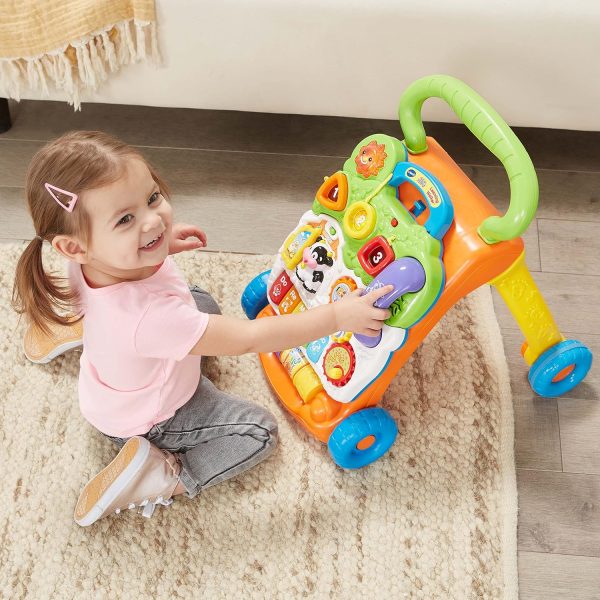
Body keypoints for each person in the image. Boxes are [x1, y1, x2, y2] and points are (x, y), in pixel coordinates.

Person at [12, 131, 393, 527]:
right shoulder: (151, 319)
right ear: (74, 247)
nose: (153, 221)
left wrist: (159, 244)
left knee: (201, 304)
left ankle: (87, 332)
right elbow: (250, 338)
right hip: (154, 419)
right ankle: (163, 477)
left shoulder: (86, 260)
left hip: (123, 356)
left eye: (152, 198)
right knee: (258, 433)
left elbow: (143, 273)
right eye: (125, 220)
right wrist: (337, 317)